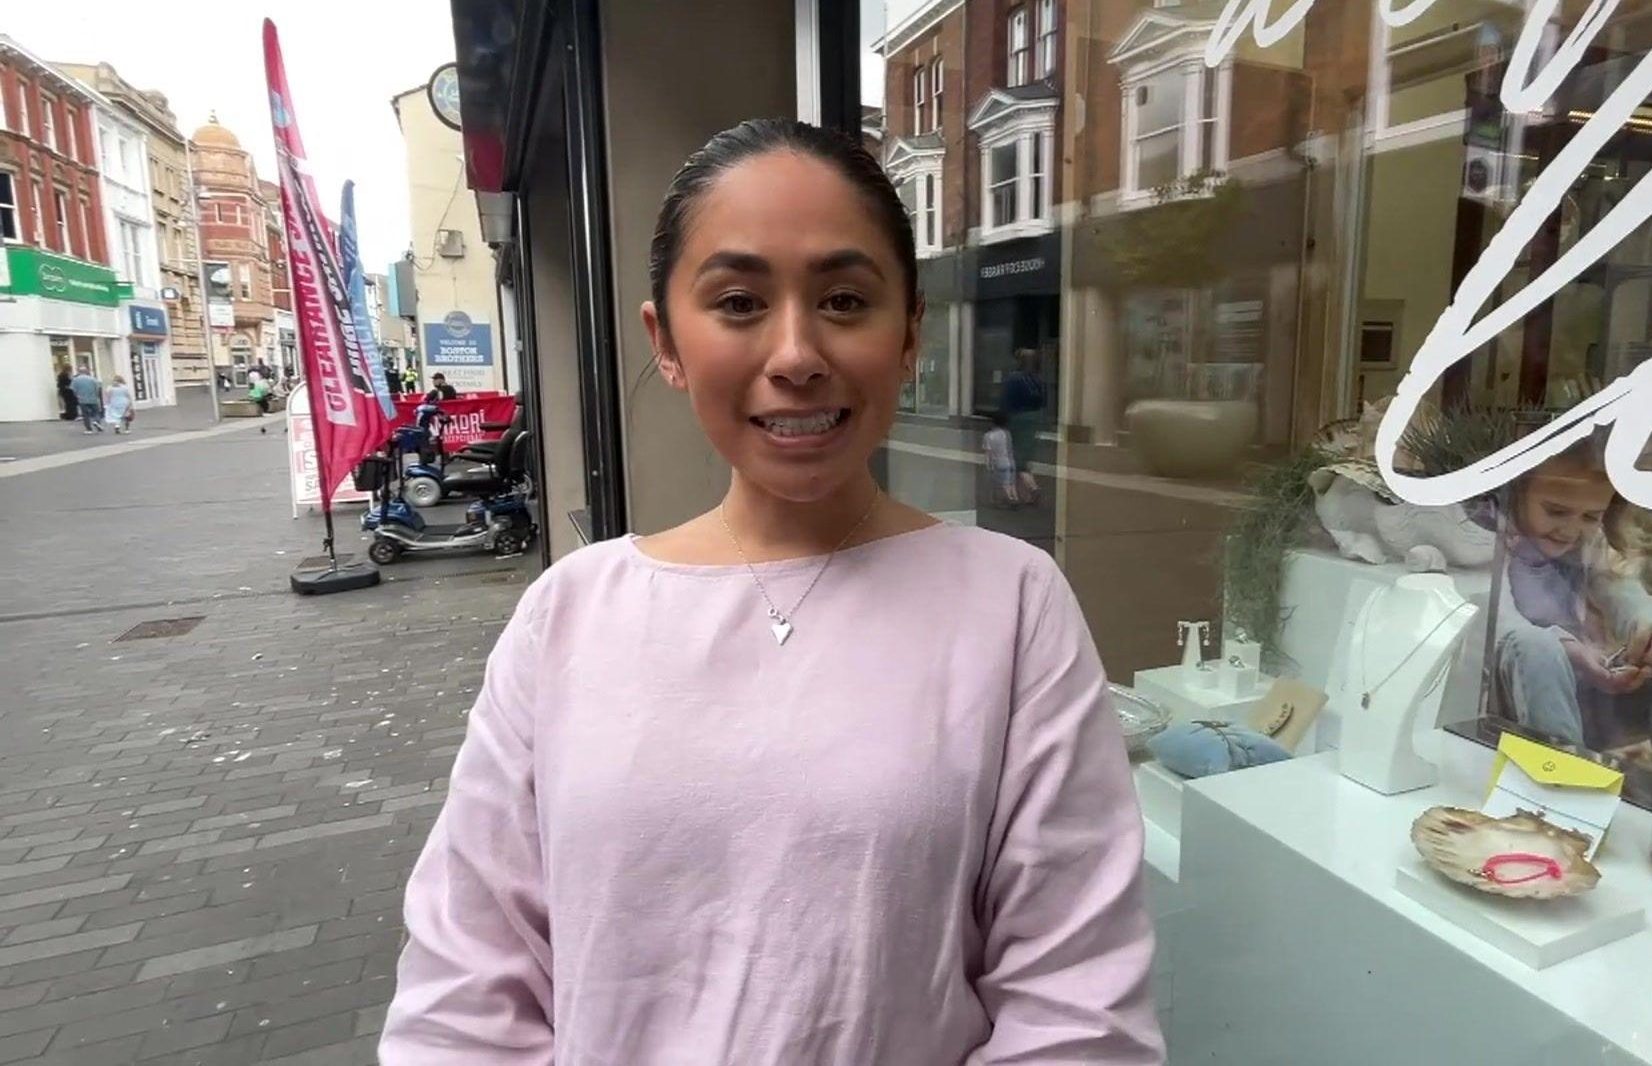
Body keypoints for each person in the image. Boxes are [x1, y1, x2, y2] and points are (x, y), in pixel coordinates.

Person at [381, 119, 1161, 1064]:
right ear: (666, 341)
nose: (796, 354)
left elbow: (1077, 1009)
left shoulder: (1011, 607)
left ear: (910, 334)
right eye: (741, 302)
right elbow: (465, 995)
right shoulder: (568, 615)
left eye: (843, 298)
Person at [1493, 437, 1652, 778]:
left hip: (1584, 696)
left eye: (1590, 516)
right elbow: (1498, 620)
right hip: (1512, 696)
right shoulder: (1491, 539)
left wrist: (1650, 626)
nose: (1570, 529)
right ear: (1516, 493)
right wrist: (1572, 649)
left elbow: (1620, 588)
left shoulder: (1589, 544)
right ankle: (1562, 778)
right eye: (1555, 511)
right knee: (1538, 647)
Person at [1000, 347, 1045, 506]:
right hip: (1034, 417)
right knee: (1025, 453)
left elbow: (1006, 401)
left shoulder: (1013, 378)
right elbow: (1042, 401)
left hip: (1017, 418)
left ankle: (1028, 489)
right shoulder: (1037, 379)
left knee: (1015, 457)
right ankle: (1025, 491)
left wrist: (1002, 419)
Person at [981, 409, 1020, 507]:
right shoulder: (1007, 433)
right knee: (1011, 482)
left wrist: (988, 465)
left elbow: (988, 453)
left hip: (999, 462)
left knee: (1004, 483)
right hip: (1011, 461)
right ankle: (1015, 497)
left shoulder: (988, 436)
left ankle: (1010, 499)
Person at [70, 369, 104, 433]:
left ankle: (88, 429)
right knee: (96, 412)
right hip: (93, 399)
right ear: (87, 372)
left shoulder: (75, 380)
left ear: (79, 372)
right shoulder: (92, 379)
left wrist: (77, 395)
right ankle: (96, 422)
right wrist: (96, 395)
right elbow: (97, 388)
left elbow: (73, 389)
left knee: (85, 415)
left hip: (82, 399)